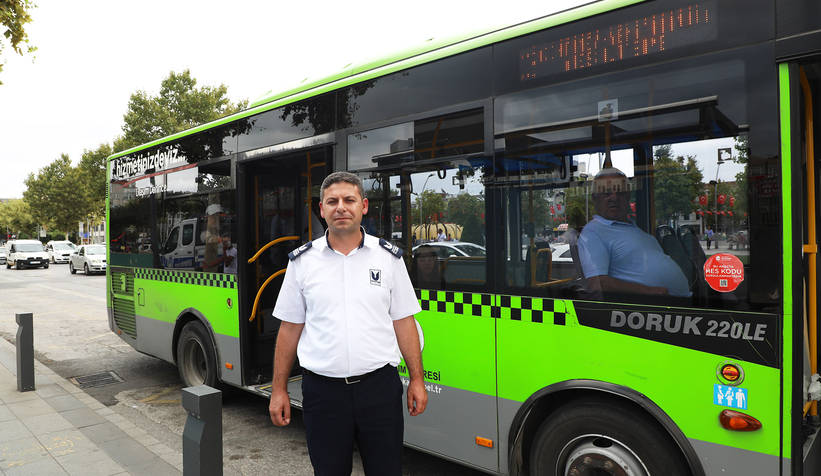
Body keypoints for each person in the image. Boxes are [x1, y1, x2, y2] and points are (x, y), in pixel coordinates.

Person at [269, 171, 427, 476]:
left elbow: (404, 322)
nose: (341, 207)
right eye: (332, 201)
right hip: (323, 394)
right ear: (321, 209)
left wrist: (417, 379)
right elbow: (289, 329)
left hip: (379, 390)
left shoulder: (388, 259)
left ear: (363, 206)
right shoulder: (302, 262)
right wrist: (278, 390)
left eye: (349, 200)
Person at [577, 167, 691, 297]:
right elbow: (596, 283)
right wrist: (651, 292)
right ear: (595, 199)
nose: (614, 198)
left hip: (681, 302)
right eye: (606, 193)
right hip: (651, 306)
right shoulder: (594, 232)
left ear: (628, 196)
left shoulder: (640, 232)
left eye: (620, 192)